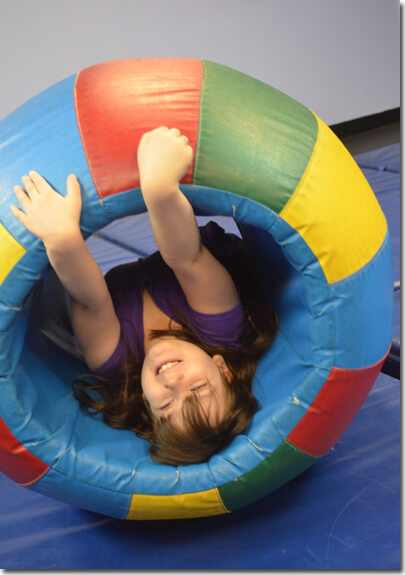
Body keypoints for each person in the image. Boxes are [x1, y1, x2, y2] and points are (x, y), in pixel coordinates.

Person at [10, 126, 278, 466]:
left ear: (147, 407)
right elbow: (187, 258)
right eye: (197, 390)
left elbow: (90, 300)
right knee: (188, 259)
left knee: (80, 306)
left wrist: (61, 237)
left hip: (115, 290)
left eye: (165, 406)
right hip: (192, 255)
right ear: (221, 367)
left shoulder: (114, 361)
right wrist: (159, 189)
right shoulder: (222, 330)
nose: (172, 383)